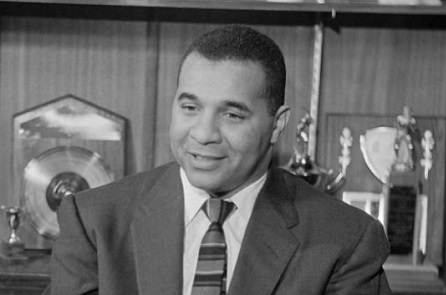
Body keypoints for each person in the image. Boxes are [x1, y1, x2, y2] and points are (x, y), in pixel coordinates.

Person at [45, 25, 391, 295]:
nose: (203, 132)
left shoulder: (347, 240)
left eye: (232, 115)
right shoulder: (93, 220)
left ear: (278, 124)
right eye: (190, 107)